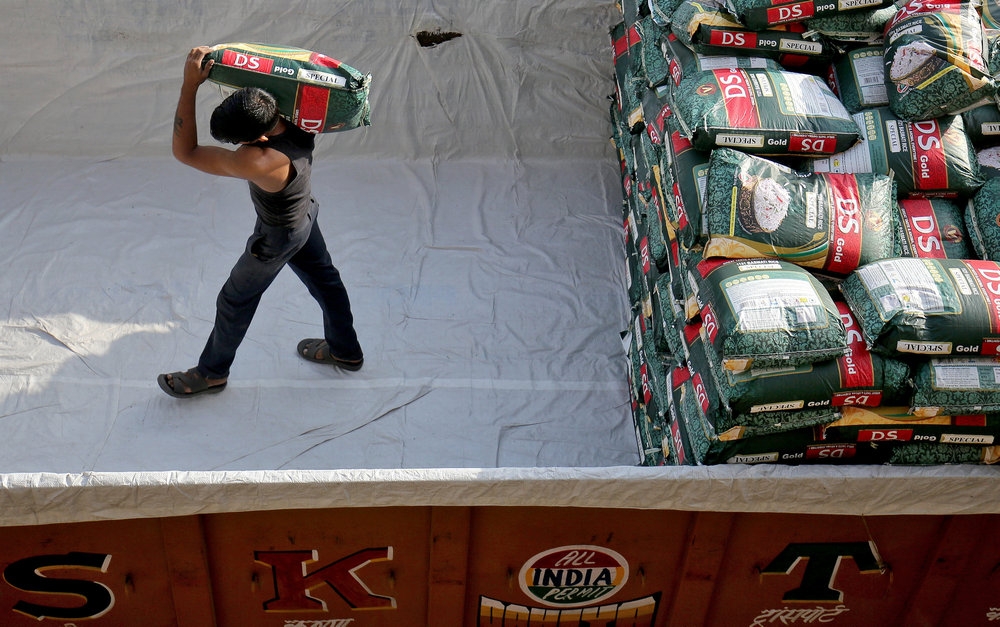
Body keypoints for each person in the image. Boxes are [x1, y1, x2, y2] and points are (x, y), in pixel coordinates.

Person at [158, 46, 364, 398]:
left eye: (238, 142)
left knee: (234, 301)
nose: (237, 147)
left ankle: (211, 373)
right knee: (326, 281)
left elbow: (186, 152)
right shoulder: (296, 116)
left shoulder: (259, 160)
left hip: (278, 237)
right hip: (304, 214)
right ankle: (346, 351)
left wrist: (189, 86)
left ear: (259, 139)